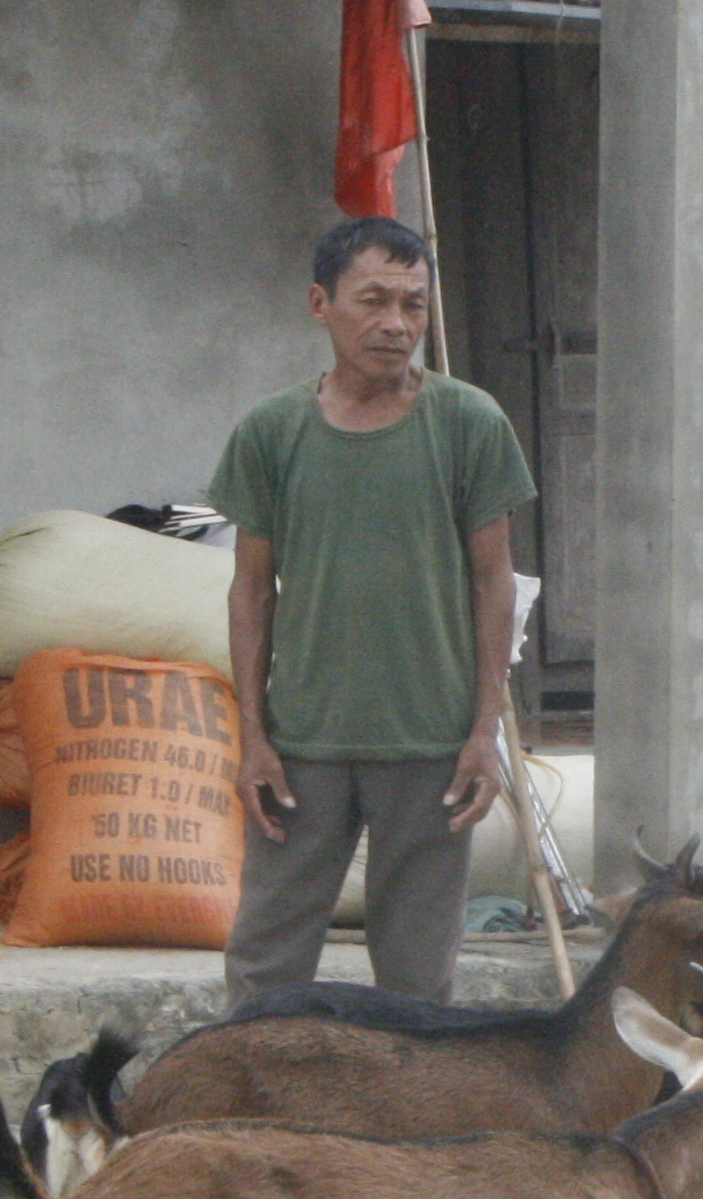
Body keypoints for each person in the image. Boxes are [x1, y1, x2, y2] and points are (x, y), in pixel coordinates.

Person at [205, 214, 537, 1005]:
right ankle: (257, 1115)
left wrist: (483, 734)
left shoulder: (468, 424)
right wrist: (252, 737)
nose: (396, 325)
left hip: (432, 746)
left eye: (414, 306)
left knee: (418, 977)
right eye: (374, 301)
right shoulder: (271, 432)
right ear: (321, 304)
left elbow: (496, 584)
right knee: (265, 962)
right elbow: (250, 590)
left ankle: (406, 1123)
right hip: (302, 745)